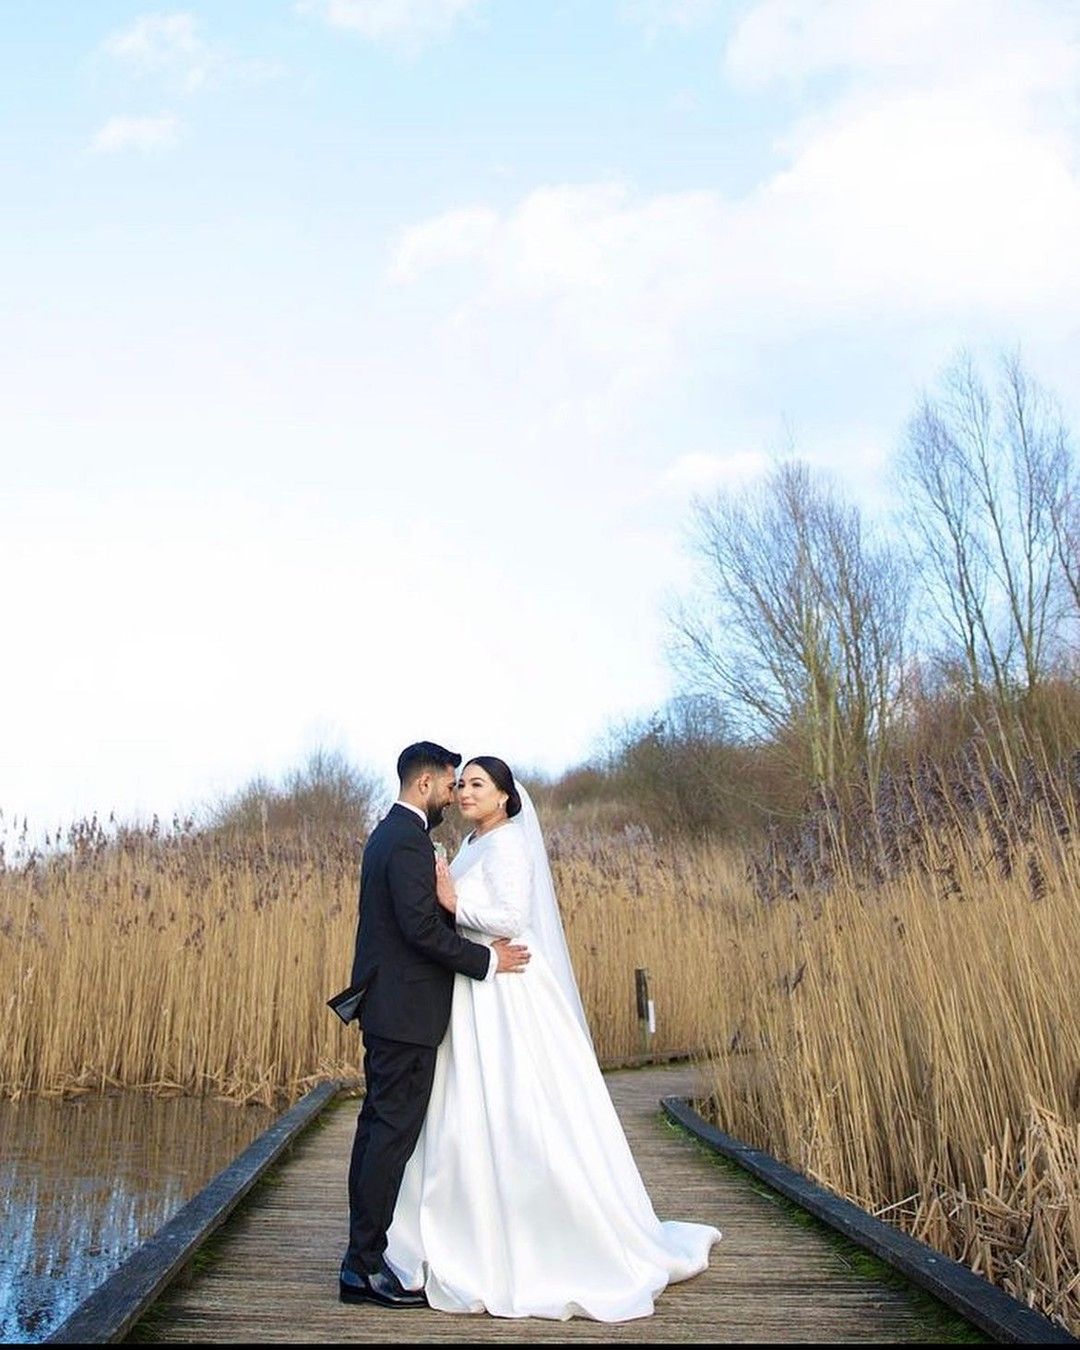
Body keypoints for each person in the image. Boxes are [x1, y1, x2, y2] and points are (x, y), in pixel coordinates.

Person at [383, 755, 722, 1321]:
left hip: (508, 987)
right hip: (476, 984)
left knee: (522, 1101)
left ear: (504, 797)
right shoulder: (472, 843)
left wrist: (453, 902)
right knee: (465, 1104)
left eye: (477, 784)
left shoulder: (509, 844)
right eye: (461, 784)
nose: (464, 792)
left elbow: (512, 917)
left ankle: (542, 1232)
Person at [338, 742, 531, 1309]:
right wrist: (487, 960)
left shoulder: (390, 835)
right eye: (451, 784)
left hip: (392, 1010)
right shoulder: (406, 842)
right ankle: (363, 1267)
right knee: (388, 1136)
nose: (454, 794)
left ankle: (363, 1258)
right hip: (404, 1014)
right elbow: (421, 930)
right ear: (425, 784)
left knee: (378, 1132)